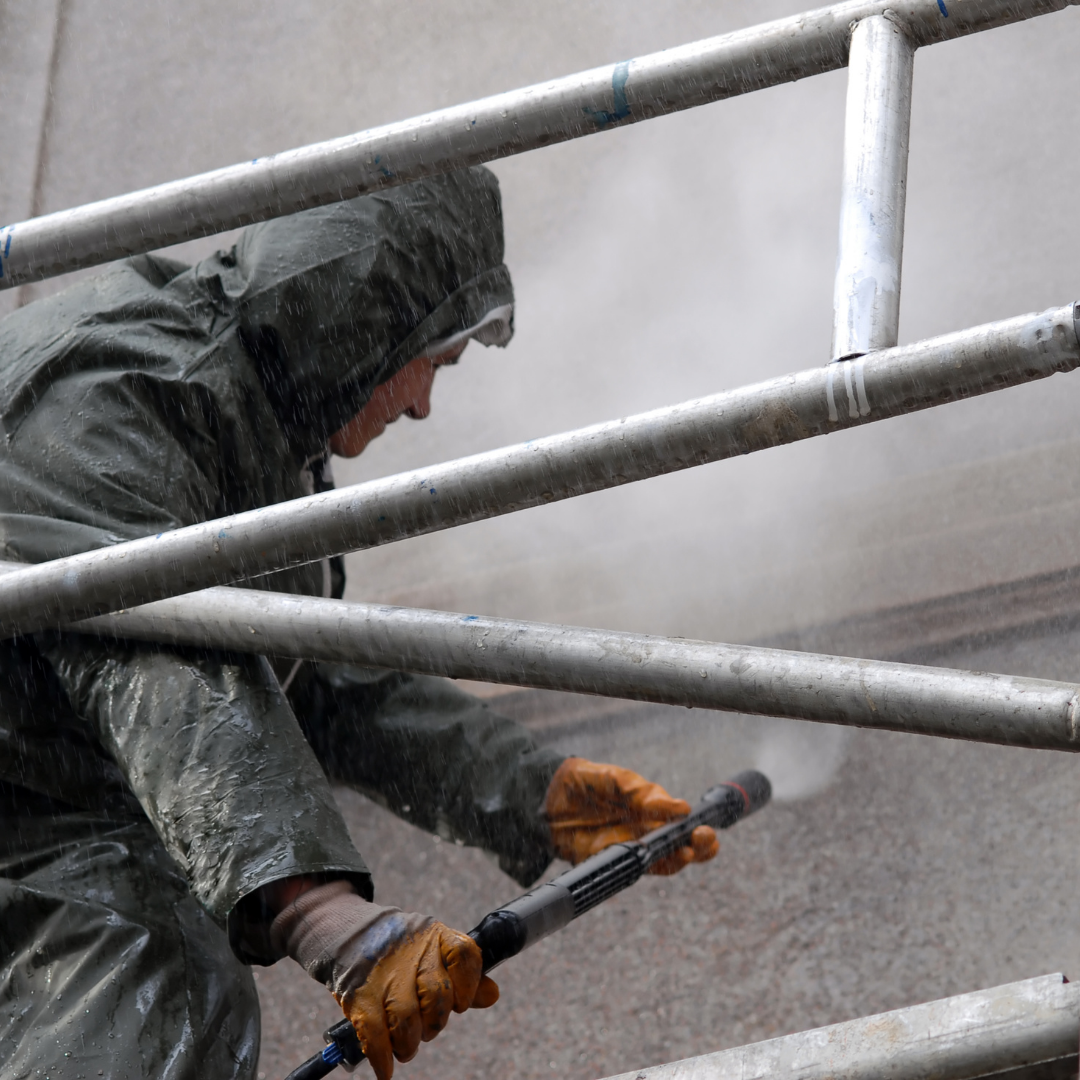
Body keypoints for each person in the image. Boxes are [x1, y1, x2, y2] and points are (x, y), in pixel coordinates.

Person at [0, 167, 718, 1080]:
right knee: (160, 971)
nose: (422, 404)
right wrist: (324, 918)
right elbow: (160, 658)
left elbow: (294, 677)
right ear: (368, 327)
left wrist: (526, 790)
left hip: (32, 784)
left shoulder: (239, 403)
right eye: (436, 364)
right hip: (30, 805)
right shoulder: (118, 393)